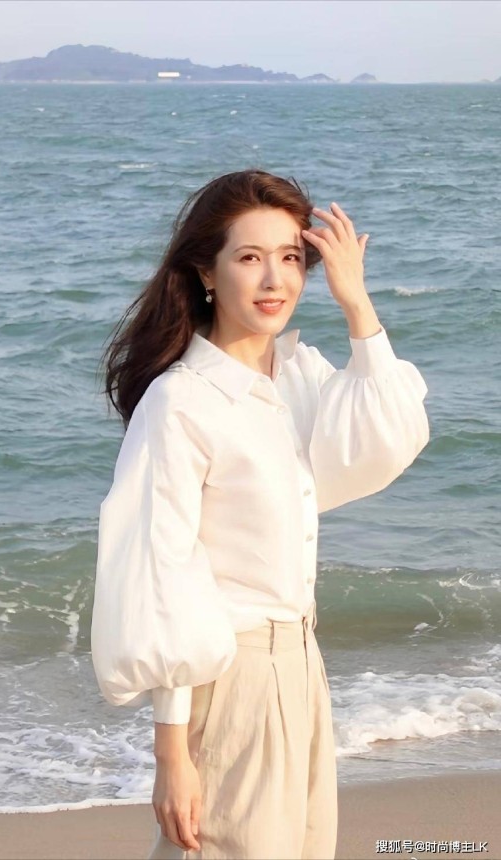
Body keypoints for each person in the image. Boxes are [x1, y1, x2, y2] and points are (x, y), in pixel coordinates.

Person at [90, 169, 430, 860]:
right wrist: (172, 756)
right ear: (206, 273)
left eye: (290, 257)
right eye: (250, 257)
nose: (275, 279)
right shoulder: (181, 402)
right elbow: (163, 576)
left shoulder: (298, 378)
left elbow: (389, 436)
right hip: (230, 685)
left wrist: (357, 303)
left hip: (303, 669)